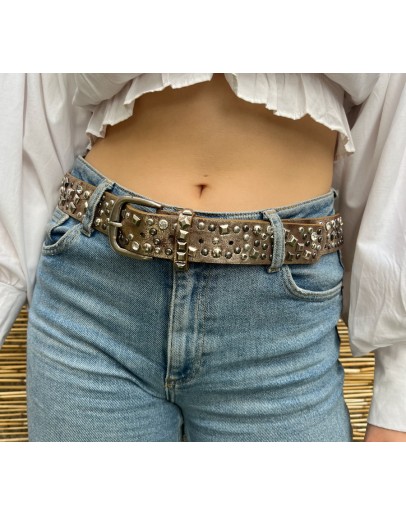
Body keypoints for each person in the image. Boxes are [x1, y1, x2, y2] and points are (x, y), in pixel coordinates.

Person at [0, 73, 405, 441]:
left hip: (281, 321)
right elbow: (33, 102)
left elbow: (393, 127)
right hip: (95, 294)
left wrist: (397, 402)